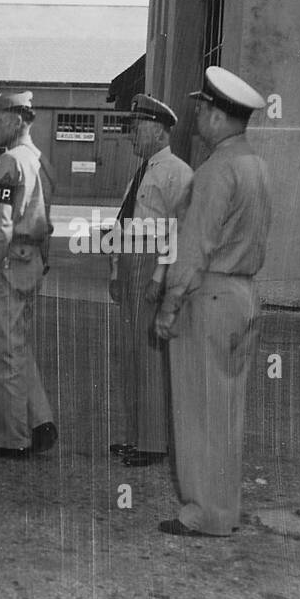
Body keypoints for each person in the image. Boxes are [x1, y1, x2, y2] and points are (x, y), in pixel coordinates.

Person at [154, 66, 272, 537]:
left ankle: (203, 512)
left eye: (203, 109)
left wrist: (169, 305)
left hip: (210, 293)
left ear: (222, 117)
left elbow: (195, 246)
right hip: (243, 294)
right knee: (225, 407)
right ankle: (224, 509)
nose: (197, 116)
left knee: (198, 408)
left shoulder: (216, 170)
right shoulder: (255, 166)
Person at [108, 94, 193, 468]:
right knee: (129, 354)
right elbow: (125, 223)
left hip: (150, 267)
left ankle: (154, 443)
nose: (131, 136)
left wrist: (160, 275)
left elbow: (180, 231)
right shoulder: (142, 172)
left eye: (137, 128)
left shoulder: (177, 172)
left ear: (159, 130)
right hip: (129, 265)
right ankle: (135, 437)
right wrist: (114, 270)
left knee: (148, 357)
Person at [0, 90, 57, 460]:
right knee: (19, 347)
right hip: (32, 261)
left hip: (9, 263)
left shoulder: (8, 163)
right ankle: (39, 422)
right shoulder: (40, 161)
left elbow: (1, 226)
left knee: (1, 353)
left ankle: (12, 439)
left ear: (19, 120)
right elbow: (47, 220)